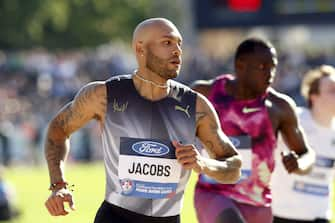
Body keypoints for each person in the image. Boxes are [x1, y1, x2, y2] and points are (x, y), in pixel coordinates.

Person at [44, 18, 242, 223]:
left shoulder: (196, 106)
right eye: (167, 43)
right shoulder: (103, 95)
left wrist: (204, 164)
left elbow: (234, 167)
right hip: (115, 218)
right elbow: (58, 130)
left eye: (179, 44)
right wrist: (58, 185)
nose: (177, 51)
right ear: (140, 49)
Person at [191, 38, 315, 223]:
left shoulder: (279, 107)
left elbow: (306, 154)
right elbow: (172, 127)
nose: (270, 74)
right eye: (263, 67)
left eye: (273, 67)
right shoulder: (206, 93)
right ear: (240, 66)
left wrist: (299, 163)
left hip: (257, 202)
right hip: (214, 192)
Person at [272, 65, 335, 223]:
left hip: (319, 217)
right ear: (314, 96)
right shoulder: (293, 120)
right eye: (332, 90)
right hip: (280, 215)